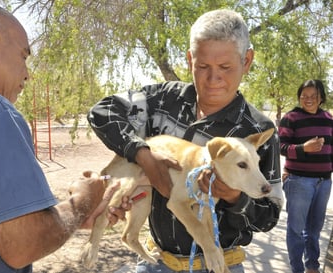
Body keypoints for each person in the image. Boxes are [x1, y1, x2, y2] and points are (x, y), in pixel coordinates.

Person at [0, 1, 122, 272]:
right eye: (23, 56)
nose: (27, 74)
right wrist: (82, 202)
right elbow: (22, 246)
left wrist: (76, 218)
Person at [87, 9, 284, 273]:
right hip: (157, 263)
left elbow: (268, 217)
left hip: (220, 264)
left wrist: (235, 197)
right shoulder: (162, 100)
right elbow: (103, 111)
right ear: (190, 59)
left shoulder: (257, 130)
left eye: (225, 67)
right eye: (202, 66)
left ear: (246, 61)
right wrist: (142, 155)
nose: (213, 79)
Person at [278, 79, 333, 273]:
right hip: (299, 181)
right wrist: (303, 148)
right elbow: (280, 146)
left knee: (315, 230)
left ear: (321, 97)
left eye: (313, 96)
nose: (308, 99)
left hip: (324, 182)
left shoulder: (328, 118)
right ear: (299, 97)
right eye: (304, 96)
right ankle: (297, 269)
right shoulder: (291, 118)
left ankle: (312, 266)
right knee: (295, 231)